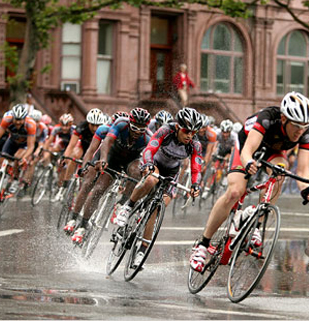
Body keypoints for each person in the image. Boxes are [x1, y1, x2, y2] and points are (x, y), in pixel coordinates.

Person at [190, 92, 309, 273]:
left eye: (304, 126)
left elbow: (303, 170)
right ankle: (202, 245)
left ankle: (257, 225)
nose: (301, 130)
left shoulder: (307, 133)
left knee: (280, 174)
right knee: (235, 191)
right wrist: (249, 163)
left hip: (273, 152)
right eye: (297, 126)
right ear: (283, 118)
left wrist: (307, 189)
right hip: (247, 145)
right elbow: (247, 152)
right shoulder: (267, 118)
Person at [113, 107, 204, 268]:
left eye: (193, 132)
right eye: (186, 130)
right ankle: (128, 207)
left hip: (172, 173)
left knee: (156, 209)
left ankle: (141, 252)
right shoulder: (165, 130)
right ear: (177, 127)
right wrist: (148, 164)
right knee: (151, 181)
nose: (190, 135)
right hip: (153, 162)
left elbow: (196, 168)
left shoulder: (194, 144)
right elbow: (150, 149)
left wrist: (195, 185)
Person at [67, 108, 152, 244]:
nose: (137, 132)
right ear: (130, 123)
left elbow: (150, 156)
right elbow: (106, 142)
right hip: (113, 157)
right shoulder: (120, 124)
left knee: (136, 172)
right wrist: (104, 159)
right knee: (99, 188)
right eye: (135, 128)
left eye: (141, 130)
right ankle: (82, 225)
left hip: (130, 160)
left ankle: (123, 203)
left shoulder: (148, 137)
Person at [0, 104, 37, 196]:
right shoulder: (7, 119)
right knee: (1, 164)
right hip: (11, 142)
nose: (18, 122)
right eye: (16, 119)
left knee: (17, 157)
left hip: (24, 145)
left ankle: (15, 179)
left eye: (20, 120)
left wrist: (24, 158)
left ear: (25, 118)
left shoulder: (31, 124)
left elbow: (31, 146)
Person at [54, 108, 105, 202]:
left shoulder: (104, 129)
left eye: (97, 125)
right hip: (83, 147)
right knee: (74, 156)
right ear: (88, 122)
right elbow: (71, 145)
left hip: (96, 150)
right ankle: (64, 186)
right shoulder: (82, 127)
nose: (94, 128)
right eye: (92, 125)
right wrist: (65, 157)